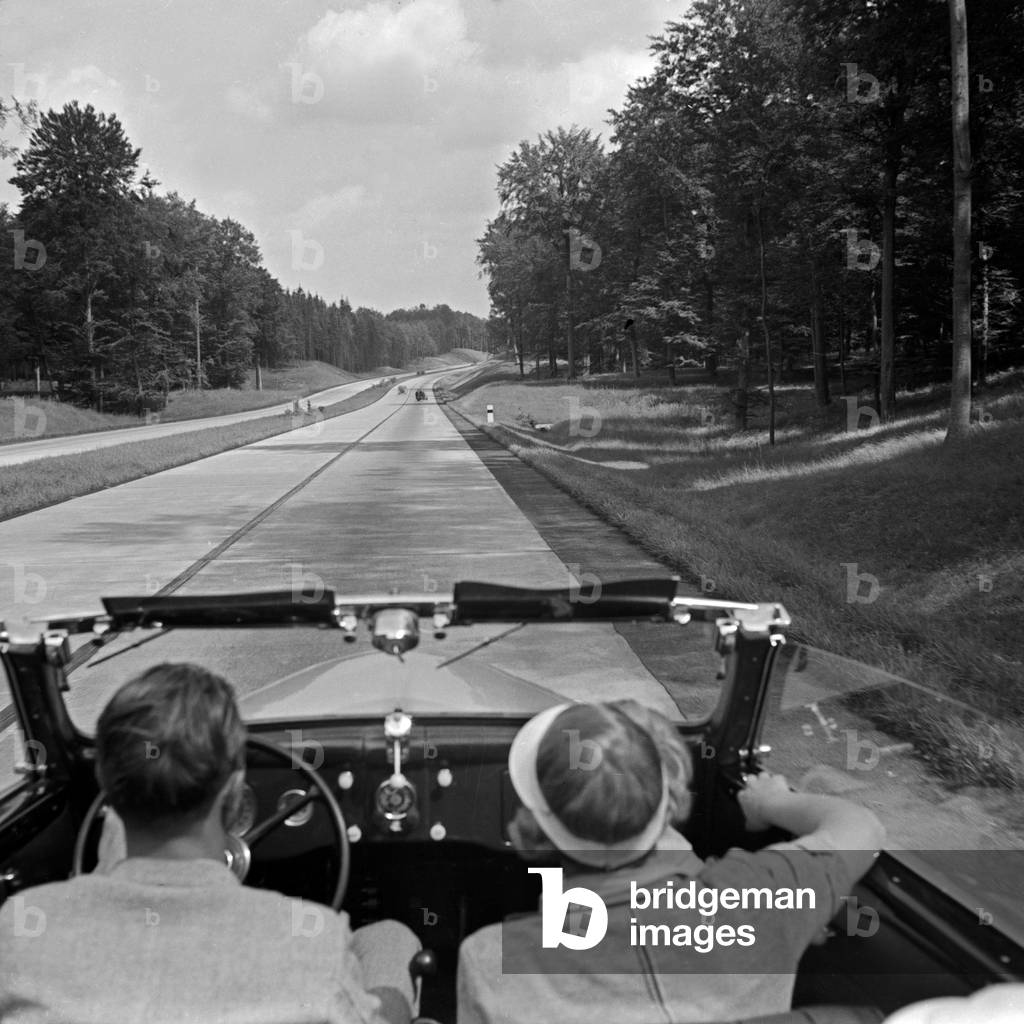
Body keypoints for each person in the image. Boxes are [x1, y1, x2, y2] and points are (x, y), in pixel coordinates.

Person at [0, 663, 419, 1024]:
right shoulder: (313, 944)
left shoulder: (23, 928)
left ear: (106, 785)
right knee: (388, 938)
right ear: (235, 793)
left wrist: (101, 880)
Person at [457, 701, 885, 1024]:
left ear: (531, 823)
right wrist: (771, 803)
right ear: (669, 801)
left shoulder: (490, 958)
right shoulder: (761, 897)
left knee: (393, 937)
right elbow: (862, 827)